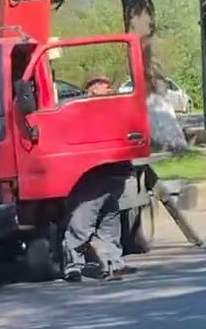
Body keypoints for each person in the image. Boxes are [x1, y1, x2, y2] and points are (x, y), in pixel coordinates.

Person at [61, 74, 133, 282]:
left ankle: (112, 264)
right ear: (92, 89)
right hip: (94, 173)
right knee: (84, 222)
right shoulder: (85, 109)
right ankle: (75, 265)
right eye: (103, 85)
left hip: (111, 173)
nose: (108, 88)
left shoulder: (111, 107)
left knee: (106, 222)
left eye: (108, 85)